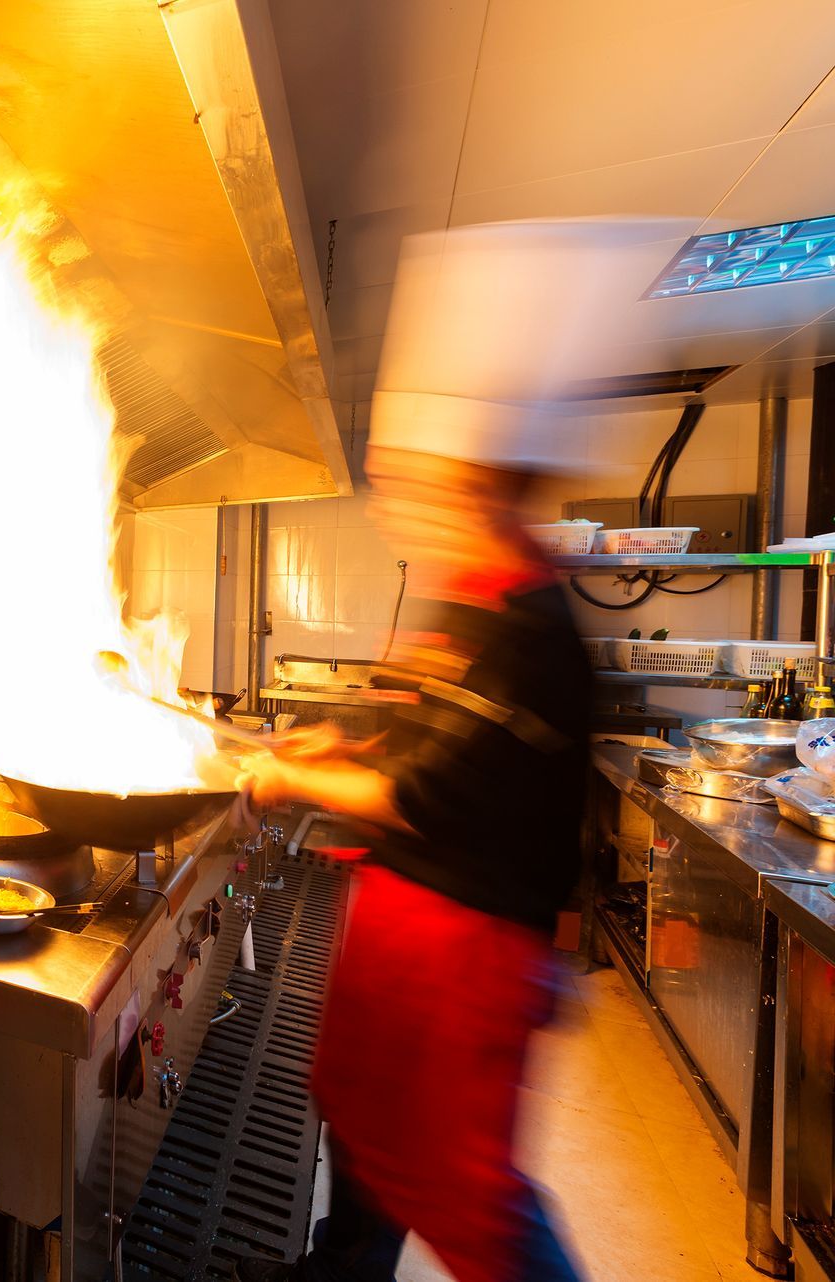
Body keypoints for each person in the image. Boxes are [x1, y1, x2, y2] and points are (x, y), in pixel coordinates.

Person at [226, 220, 677, 1282]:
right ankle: (345, 1267)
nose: (391, 497)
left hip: (466, 962)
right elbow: (427, 737)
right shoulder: (473, 597)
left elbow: (423, 791)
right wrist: (345, 737)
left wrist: (289, 774)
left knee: (473, 1196)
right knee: (369, 1132)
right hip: (410, 945)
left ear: (472, 482)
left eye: (407, 478)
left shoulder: (528, 624)